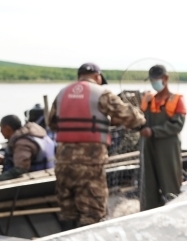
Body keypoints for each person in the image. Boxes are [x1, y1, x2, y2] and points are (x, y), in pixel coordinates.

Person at [48, 63, 145, 230]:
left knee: (68, 210)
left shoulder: (62, 94)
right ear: (97, 77)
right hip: (90, 163)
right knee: (93, 212)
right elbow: (129, 116)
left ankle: (65, 239)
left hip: (63, 162)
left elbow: (52, 123)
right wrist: (142, 120)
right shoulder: (101, 93)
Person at [138, 65, 187, 210]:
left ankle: (173, 210)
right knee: (148, 182)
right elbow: (140, 119)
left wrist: (153, 131)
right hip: (148, 146)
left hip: (168, 148)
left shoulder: (177, 99)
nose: (154, 83)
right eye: (152, 80)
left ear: (165, 78)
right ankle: (148, 211)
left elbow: (177, 125)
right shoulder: (147, 99)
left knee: (170, 180)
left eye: (156, 79)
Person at [0, 115, 56, 181]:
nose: (0, 131)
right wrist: (3, 160)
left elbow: (20, 170)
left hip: (35, 180)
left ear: (7, 128)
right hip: (48, 175)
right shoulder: (37, 135)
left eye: (1, 128)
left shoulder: (22, 143)